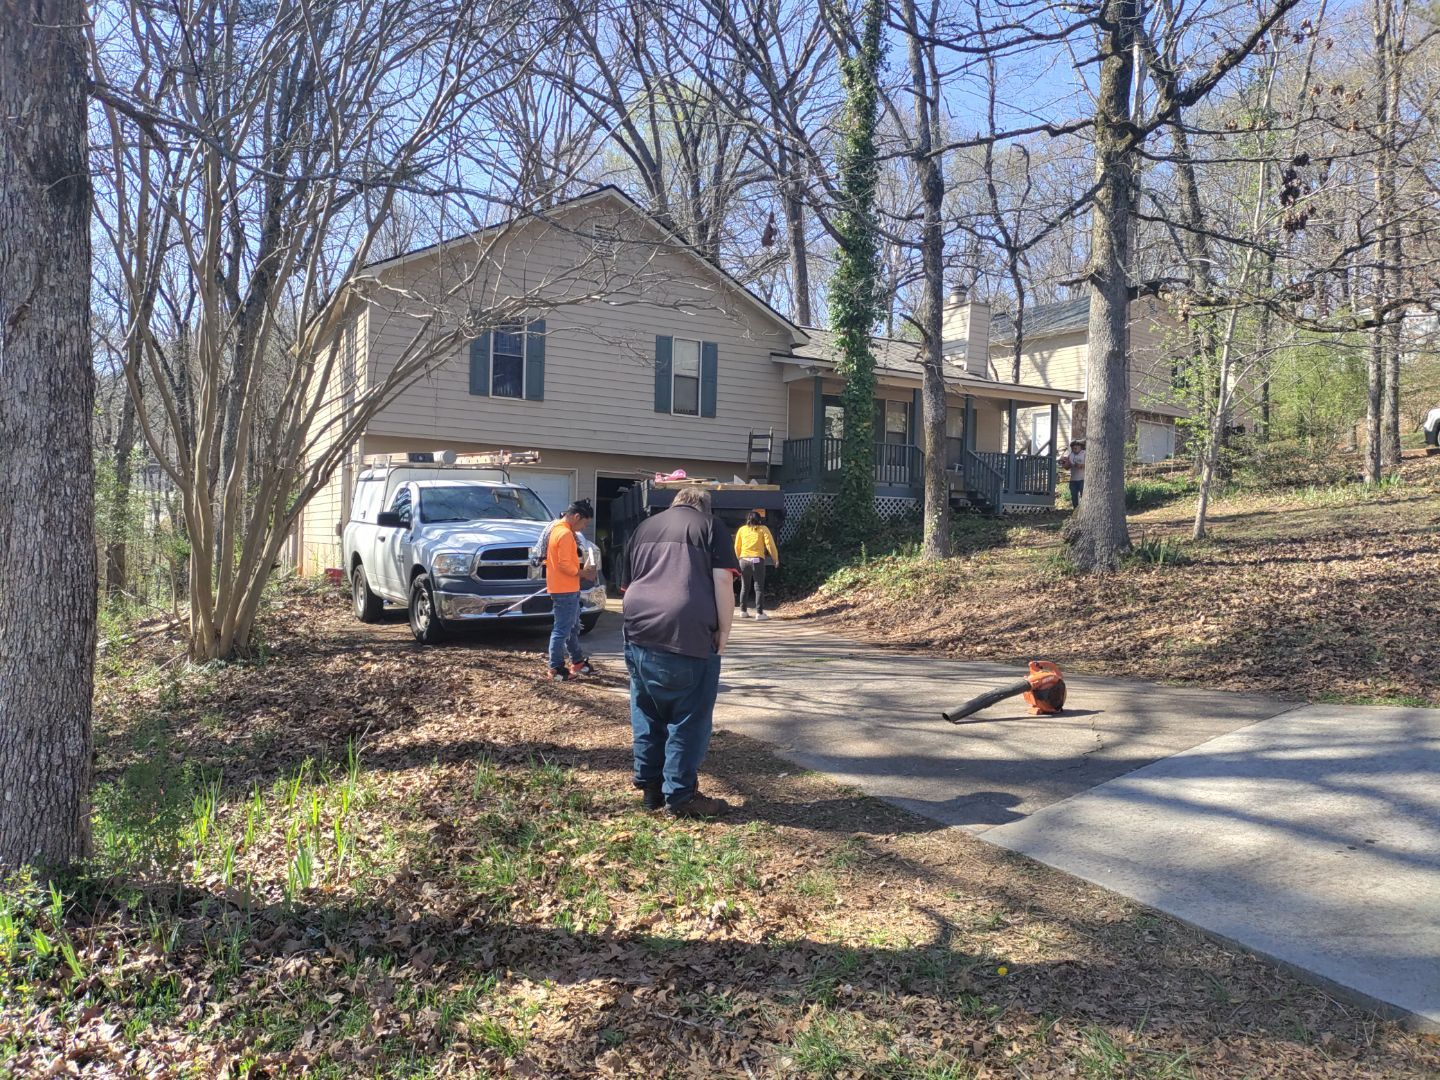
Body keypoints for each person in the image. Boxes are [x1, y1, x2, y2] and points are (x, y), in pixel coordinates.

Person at [621, 486, 739, 818]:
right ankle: (681, 796)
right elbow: (723, 582)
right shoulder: (710, 526)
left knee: (647, 708)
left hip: (638, 629)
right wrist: (725, 631)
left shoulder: (644, 527)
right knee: (690, 715)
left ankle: (651, 788)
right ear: (704, 507)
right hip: (686, 629)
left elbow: (629, 585)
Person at [545, 499, 594, 682]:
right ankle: (555, 667)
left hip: (564, 587)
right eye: (584, 522)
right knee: (562, 630)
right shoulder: (565, 534)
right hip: (565, 588)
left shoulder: (556, 529)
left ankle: (578, 662)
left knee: (572, 628)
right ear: (576, 516)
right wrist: (584, 573)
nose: (584, 526)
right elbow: (565, 565)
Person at [733, 510, 780, 620]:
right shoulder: (763, 529)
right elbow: (770, 545)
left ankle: (743, 611)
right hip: (757, 561)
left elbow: (736, 546)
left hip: (743, 560)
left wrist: (739, 558)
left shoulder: (742, 530)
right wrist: (775, 559)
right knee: (758, 587)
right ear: (759, 519)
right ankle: (759, 613)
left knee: (744, 586)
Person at [1059, 439, 1086, 509]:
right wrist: (1063, 463)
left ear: (1080, 447)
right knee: (1074, 496)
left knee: (1084, 496)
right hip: (1073, 480)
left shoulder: (1084, 454)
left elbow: (1088, 465)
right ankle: (1075, 510)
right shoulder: (1071, 455)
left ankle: (1084, 510)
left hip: (1083, 479)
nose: (1074, 448)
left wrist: (1081, 466)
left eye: (1076, 447)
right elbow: (1067, 467)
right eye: (1073, 447)